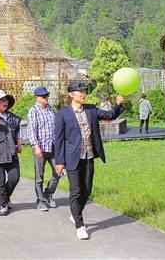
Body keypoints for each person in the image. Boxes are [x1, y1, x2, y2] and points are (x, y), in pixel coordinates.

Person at [54, 81, 124, 240]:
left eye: (84, 91)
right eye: (80, 92)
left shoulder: (91, 110)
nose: (83, 94)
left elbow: (109, 115)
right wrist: (59, 161)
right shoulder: (63, 113)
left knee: (87, 190)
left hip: (89, 155)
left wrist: (118, 105)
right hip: (72, 158)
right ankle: (80, 225)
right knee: (76, 190)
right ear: (71, 95)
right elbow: (58, 139)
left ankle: (75, 212)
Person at [27, 87, 59, 212]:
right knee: (39, 176)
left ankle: (48, 194)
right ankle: (40, 201)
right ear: (38, 98)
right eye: (43, 97)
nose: (46, 99)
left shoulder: (51, 109)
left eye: (47, 96)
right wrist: (36, 146)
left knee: (58, 172)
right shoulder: (33, 111)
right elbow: (31, 131)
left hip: (53, 146)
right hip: (40, 148)